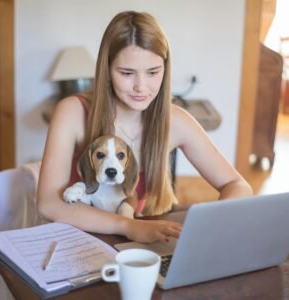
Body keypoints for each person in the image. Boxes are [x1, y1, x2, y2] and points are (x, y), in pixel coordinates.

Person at [37, 11, 252, 244]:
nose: (141, 87)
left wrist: (211, 229)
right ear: (107, 70)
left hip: (130, 249)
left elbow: (238, 185)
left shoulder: (176, 121)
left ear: (165, 69)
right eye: (127, 73)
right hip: (74, 243)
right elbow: (48, 203)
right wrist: (127, 226)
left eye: (153, 72)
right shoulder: (72, 112)